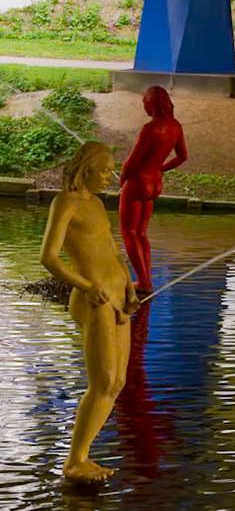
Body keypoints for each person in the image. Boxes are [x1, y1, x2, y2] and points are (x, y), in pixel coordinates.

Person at [40, 141, 137, 484]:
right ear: (86, 169)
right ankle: (74, 460)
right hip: (94, 299)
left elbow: (112, 250)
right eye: (105, 170)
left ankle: (84, 456)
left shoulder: (96, 204)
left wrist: (128, 286)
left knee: (118, 382)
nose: (111, 176)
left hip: (118, 296)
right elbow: (49, 257)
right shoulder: (65, 203)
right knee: (102, 382)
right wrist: (84, 285)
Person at [120, 86, 187, 295]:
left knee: (128, 232)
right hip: (155, 183)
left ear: (153, 103)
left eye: (145, 103)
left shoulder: (150, 129)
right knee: (141, 232)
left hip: (138, 181)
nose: (144, 107)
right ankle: (146, 280)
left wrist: (122, 179)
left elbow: (131, 163)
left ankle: (143, 282)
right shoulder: (176, 126)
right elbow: (182, 156)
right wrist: (160, 168)